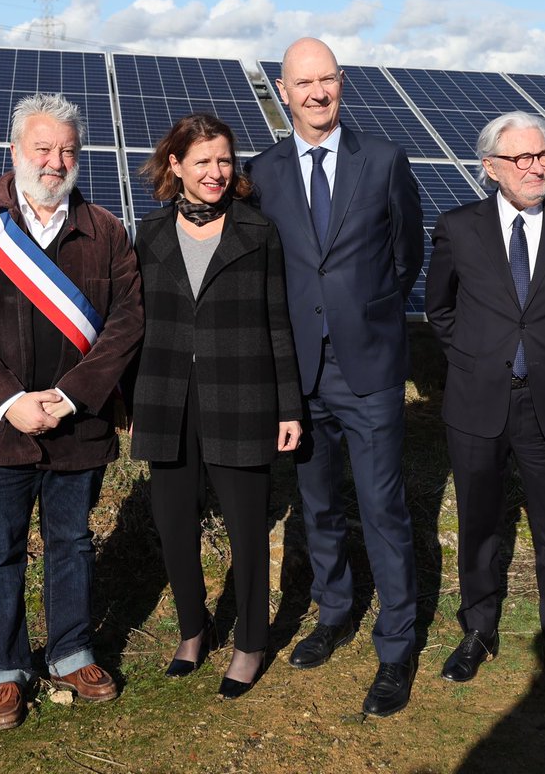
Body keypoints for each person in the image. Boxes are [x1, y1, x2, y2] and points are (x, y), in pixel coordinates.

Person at [0, 93, 144, 730]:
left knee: (72, 543)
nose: (56, 161)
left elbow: (126, 323)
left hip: (79, 425)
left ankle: (72, 651)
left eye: (67, 150)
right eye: (43, 148)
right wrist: (9, 402)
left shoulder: (106, 231)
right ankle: (5, 668)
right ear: (15, 151)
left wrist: (72, 395)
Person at [246, 37, 424, 717]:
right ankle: (334, 611)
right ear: (283, 92)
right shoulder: (261, 174)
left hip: (370, 370)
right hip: (300, 376)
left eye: (329, 79)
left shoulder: (382, 161)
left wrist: (366, 317)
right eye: (304, 82)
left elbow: (405, 257)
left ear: (341, 84)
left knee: (383, 508)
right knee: (317, 504)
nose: (318, 92)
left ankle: (397, 644)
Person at [424, 111, 545, 699]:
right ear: (491, 168)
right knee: (478, 523)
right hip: (476, 403)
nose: (536, 167)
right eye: (521, 159)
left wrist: (543, 363)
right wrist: (478, 361)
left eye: (543, 155)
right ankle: (478, 629)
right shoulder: (457, 228)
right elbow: (440, 310)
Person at [130, 113, 303, 699]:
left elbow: (278, 324)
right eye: (201, 161)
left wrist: (289, 407)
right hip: (167, 398)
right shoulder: (149, 234)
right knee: (175, 525)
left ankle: (251, 641)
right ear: (174, 165)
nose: (215, 173)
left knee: (247, 528)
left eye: (224, 160)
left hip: (243, 398)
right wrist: (127, 397)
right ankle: (191, 630)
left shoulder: (259, 233)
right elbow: (135, 324)